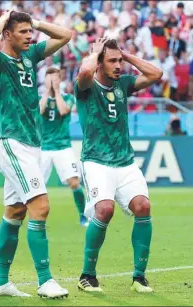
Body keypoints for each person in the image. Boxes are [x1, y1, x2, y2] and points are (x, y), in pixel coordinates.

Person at [0, 10, 72, 298]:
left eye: (30, 32)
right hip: (11, 140)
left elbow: (66, 35)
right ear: (7, 35)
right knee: (41, 206)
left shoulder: (30, 56)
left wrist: (36, 23)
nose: (30, 36)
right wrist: (6, 15)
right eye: (23, 32)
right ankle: (45, 281)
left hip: (32, 143)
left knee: (15, 212)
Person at [74, 38, 163, 293]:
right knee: (104, 210)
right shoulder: (86, 86)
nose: (118, 65)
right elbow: (84, 73)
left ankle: (139, 276)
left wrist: (126, 55)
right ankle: (87, 275)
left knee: (143, 206)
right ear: (99, 63)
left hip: (125, 161)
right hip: (96, 161)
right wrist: (94, 54)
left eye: (119, 60)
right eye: (112, 61)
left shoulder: (123, 83)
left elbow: (156, 74)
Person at [39, 67, 88, 227]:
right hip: (44, 148)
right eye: (49, 78)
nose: (52, 82)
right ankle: (33, 217)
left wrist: (57, 92)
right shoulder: (40, 98)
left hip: (63, 147)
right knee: (36, 185)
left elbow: (63, 110)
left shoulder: (68, 97)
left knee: (74, 182)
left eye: (55, 79)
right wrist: (48, 92)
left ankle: (83, 215)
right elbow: (40, 111)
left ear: (60, 80)